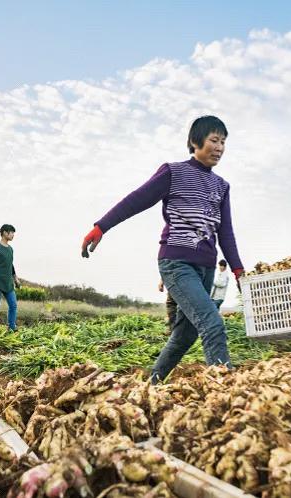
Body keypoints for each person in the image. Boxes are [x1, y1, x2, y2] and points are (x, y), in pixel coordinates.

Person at [81, 116, 244, 383]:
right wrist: (101, 227)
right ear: (194, 142)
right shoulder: (173, 172)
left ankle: (152, 383)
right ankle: (227, 390)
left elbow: (225, 232)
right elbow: (136, 200)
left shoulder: (222, 186)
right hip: (176, 263)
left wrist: (237, 269)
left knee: (185, 336)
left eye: (223, 142)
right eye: (214, 140)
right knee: (212, 323)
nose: (220, 147)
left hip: (206, 267)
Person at [0, 224, 20, 331]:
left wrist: (15, 278)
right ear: (5, 233)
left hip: (8, 282)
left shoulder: (10, 249)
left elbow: (11, 265)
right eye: (11, 233)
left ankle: (11, 327)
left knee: (13, 305)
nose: (13, 235)